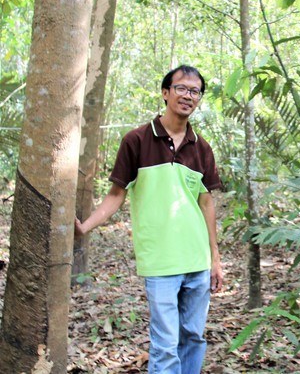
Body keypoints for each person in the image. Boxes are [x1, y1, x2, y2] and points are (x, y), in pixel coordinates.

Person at [75, 65, 224, 374]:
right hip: (160, 261)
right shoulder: (137, 140)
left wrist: (215, 258)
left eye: (194, 91)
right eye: (181, 88)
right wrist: (85, 227)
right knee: (166, 343)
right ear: (166, 92)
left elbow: (206, 203)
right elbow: (116, 195)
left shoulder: (202, 148)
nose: (188, 96)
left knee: (194, 338)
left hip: (197, 259)